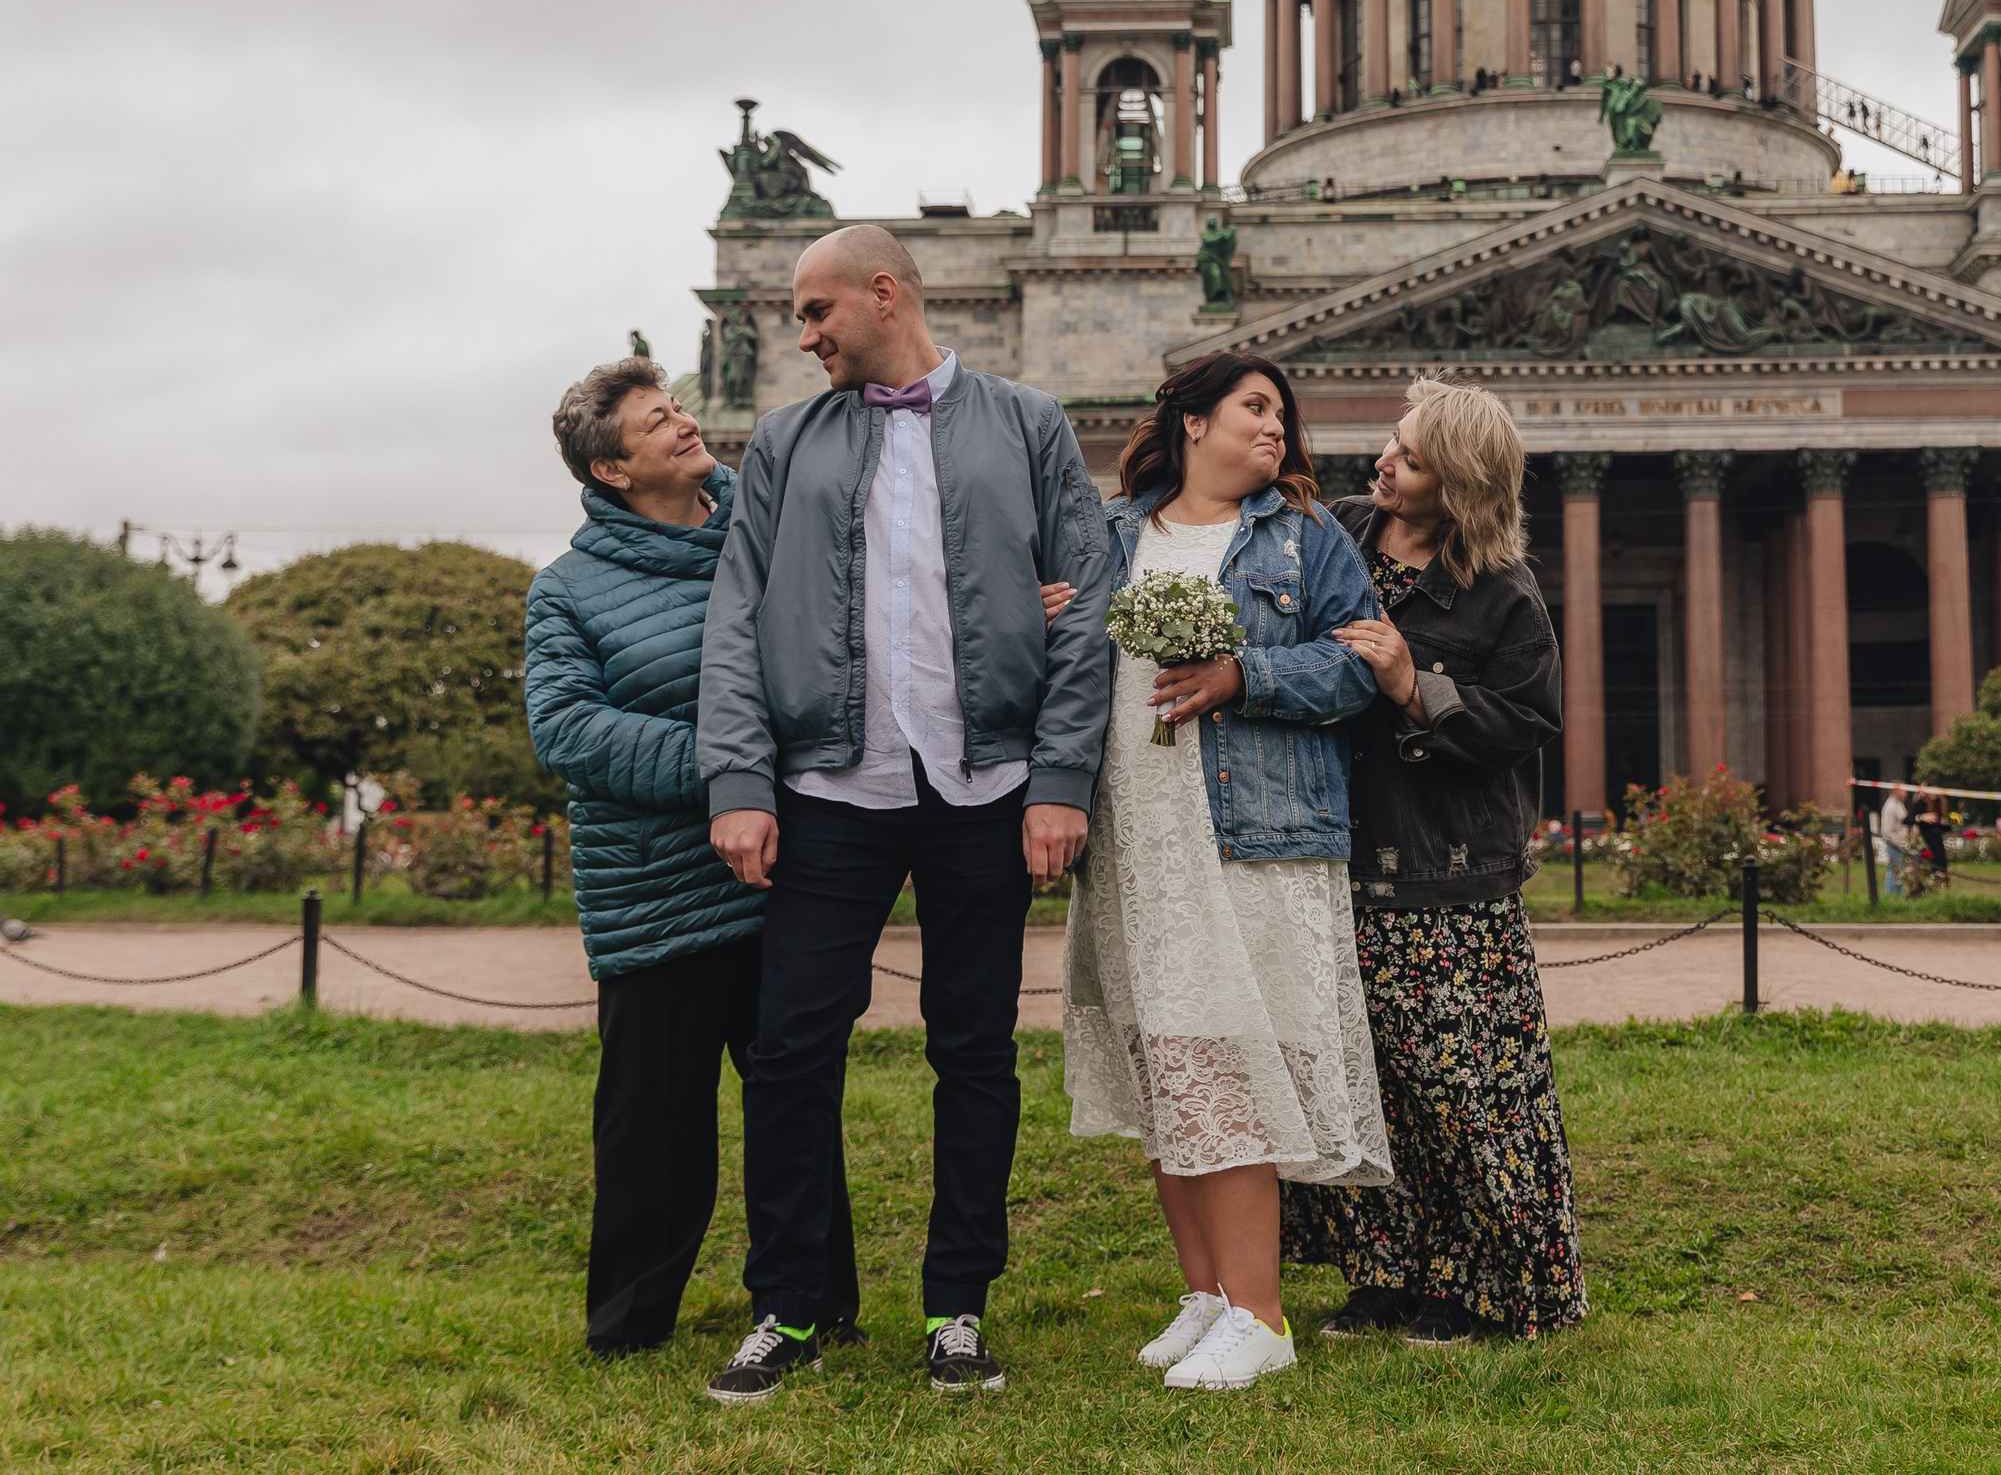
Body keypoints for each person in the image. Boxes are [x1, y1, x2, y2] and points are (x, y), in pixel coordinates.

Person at [695, 225, 1113, 1403]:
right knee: (787, 1056)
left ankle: (958, 1308)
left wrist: (1060, 778)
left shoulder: (1028, 424)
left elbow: (1091, 610)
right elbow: (737, 618)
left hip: (985, 795)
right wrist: (738, 782)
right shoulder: (782, 442)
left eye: (817, 310)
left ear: (884, 295)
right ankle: (786, 1306)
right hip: (830, 791)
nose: (804, 332)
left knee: (973, 1053)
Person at [1062, 353, 1392, 1393]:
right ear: (1192, 422)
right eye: (1254, 408)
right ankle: (1206, 1294)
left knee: (1228, 1067)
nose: (1276, 430)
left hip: (1245, 835)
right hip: (1134, 836)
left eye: (1282, 417)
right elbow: (1070, 670)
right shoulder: (1114, 536)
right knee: (1169, 1064)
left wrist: (1244, 673)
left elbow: (1358, 663)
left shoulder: (1306, 537)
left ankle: (1262, 1313)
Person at [523, 358, 860, 1357]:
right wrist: (732, 772)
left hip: (779, 881)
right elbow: (570, 731)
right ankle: (629, 1324)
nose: (683, 425)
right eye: (655, 422)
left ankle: (816, 1305)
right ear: (612, 469)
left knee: (794, 1108)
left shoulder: (762, 544)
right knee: (653, 1130)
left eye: (677, 410)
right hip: (655, 895)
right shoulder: (568, 590)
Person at [1281, 375, 1586, 1344]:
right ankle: (1378, 1274)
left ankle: (1471, 1284)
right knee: (1356, 1086)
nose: (1384, 461)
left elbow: (1531, 721)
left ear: (1455, 482)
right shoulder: (1335, 536)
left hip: (1445, 879)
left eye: (1410, 457)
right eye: (1391, 443)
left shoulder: (1501, 592)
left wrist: (1417, 685)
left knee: (1457, 1097)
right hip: (1333, 856)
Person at [1878, 784, 1910, 897]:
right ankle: (1891, 895)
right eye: (1903, 790)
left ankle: (1897, 894)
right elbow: (1886, 830)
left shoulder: (1899, 804)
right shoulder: (1890, 807)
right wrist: (1897, 842)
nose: (1906, 793)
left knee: (1900, 872)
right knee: (1894, 871)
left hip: (1901, 844)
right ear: (1895, 791)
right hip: (1894, 845)